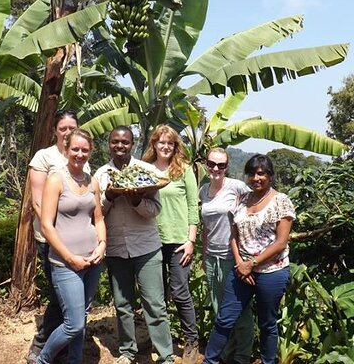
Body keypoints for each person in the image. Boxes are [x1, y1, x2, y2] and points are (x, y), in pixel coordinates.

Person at [203, 154, 295, 364]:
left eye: (261, 173)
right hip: (241, 270)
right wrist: (240, 264)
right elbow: (233, 234)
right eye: (252, 173)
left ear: (269, 175)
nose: (256, 178)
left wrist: (252, 264)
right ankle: (209, 361)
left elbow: (281, 242)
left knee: (267, 323)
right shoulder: (243, 200)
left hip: (272, 272)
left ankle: (267, 362)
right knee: (224, 319)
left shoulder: (281, 201)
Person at [94, 126, 174, 364]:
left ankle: (165, 355)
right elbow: (95, 213)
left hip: (146, 249)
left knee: (155, 304)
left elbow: (155, 210)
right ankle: (127, 351)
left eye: (125, 142)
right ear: (109, 144)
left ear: (133, 144)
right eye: (116, 141)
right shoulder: (101, 175)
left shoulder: (147, 171)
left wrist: (137, 200)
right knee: (122, 304)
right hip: (117, 249)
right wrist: (109, 197)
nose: (120, 146)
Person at [37, 129, 106, 364]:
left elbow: (98, 218)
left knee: (82, 318)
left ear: (91, 151)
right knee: (73, 323)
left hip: (93, 261)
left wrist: (102, 245)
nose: (79, 154)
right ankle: (43, 359)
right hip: (66, 263)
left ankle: (74, 361)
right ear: (67, 149)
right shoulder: (56, 179)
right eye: (75, 149)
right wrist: (70, 257)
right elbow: (46, 225)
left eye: (84, 150)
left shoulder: (92, 181)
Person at [27, 109, 84, 364]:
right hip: (50, 240)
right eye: (63, 128)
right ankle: (41, 345)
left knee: (70, 297)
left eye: (72, 127)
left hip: (77, 243)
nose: (68, 132)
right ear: (55, 131)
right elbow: (37, 204)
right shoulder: (44, 157)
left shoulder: (80, 155)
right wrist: (55, 234)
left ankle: (63, 345)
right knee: (58, 294)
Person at [142, 125, 199, 364]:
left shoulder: (184, 170)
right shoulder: (144, 169)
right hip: (150, 239)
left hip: (177, 240)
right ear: (154, 144)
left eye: (170, 143)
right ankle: (157, 336)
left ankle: (191, 340)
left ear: (176, 146)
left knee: (179, 291)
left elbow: (193, 205)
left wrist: (191, 240)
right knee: (155, 294)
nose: (165, 146)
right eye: (161, 142)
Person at [199, 147, 254, 364]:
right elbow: (206, 225)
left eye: (221, 165)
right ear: (206, 164)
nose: (216, 169)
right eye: (212, 164)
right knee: (218, 309)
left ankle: (242, 357)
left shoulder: (237, 187)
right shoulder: (203, 190)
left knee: (240, 311)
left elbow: (259, 201)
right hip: (212, 257)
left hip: (234, 258)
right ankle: (226, 353)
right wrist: (204, 255)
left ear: (227, 167)